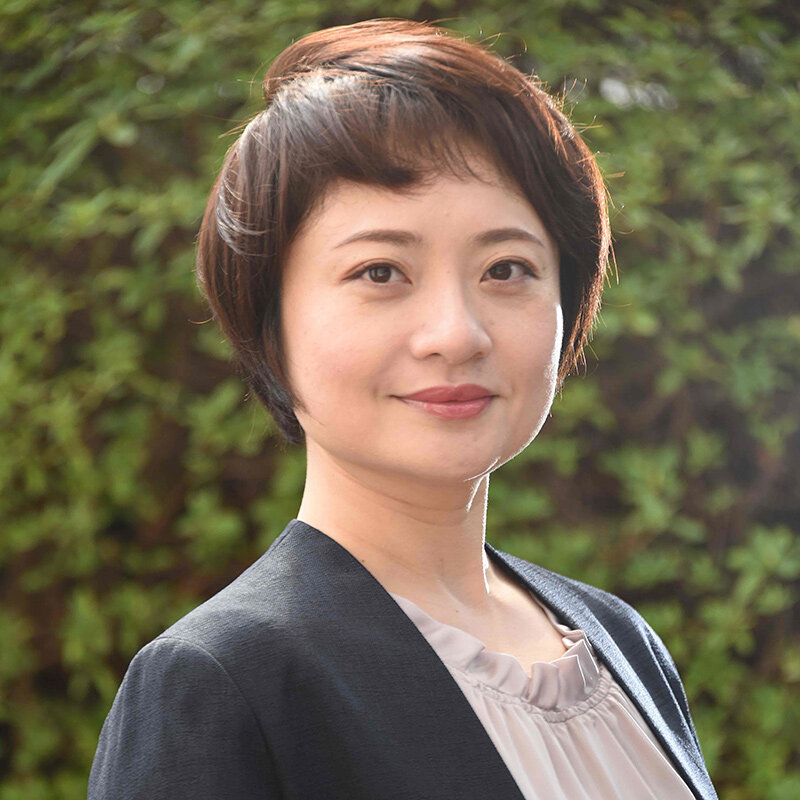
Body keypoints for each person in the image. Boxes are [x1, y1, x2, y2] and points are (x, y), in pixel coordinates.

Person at [87, 17, 719, 800]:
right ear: (267, 319)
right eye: (381, 272)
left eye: (507, 268)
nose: (457, 334)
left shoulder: (619, 643)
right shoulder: (227, 683)